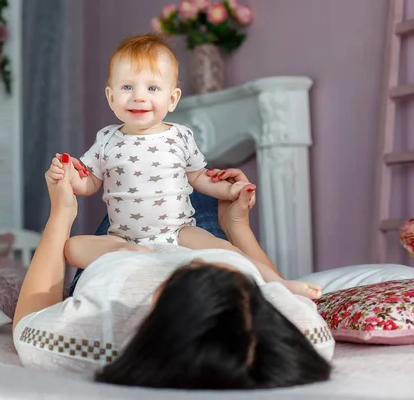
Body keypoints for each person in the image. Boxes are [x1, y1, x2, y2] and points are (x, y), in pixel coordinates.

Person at [13, 155, 333, 390]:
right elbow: (267, 279)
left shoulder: (93, 333)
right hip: (201, 237)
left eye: (190, 268)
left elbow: (27, 320)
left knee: (144, 179)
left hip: (118, 256)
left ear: (157, 296)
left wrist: (62, 210)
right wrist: (236, 226)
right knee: (194, 179)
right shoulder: (299, 340)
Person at [53, 33, 321, 300]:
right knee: (73, 247)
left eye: (152, 88)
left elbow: (198, 177)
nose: (138, 97)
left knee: (227, 251)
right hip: (123, 238)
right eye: (127, 88)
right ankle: (133, 257)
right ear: (111, 97)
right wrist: (69, 178)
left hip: (179, 231)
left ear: (173, 98)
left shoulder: (180, 136)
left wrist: (229, 193)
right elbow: (90, 184)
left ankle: (277, 283)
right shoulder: (107, 139)